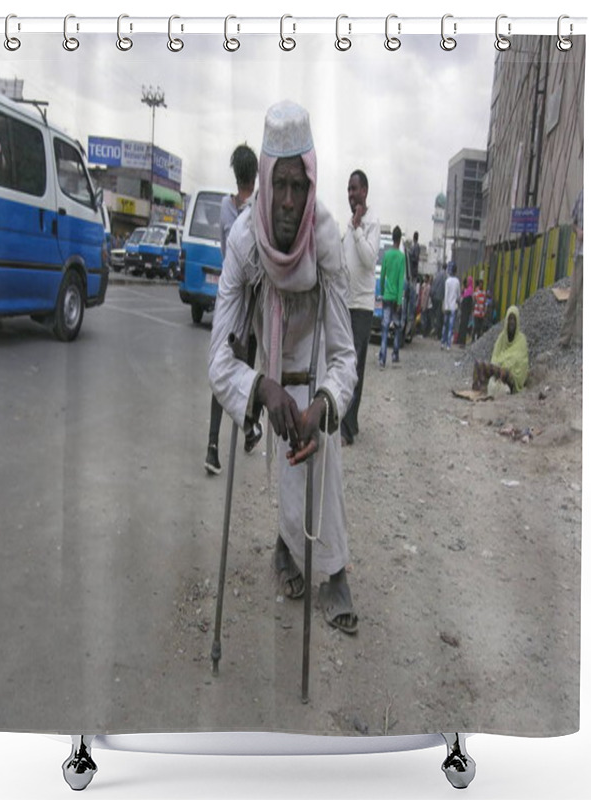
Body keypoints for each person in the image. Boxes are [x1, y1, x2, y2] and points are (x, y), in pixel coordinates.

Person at [208, 100, 359, 634]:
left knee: (325, 462)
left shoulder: (326, 240)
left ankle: (334, 570)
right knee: (289, 467)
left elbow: (344, 354)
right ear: (266, 184)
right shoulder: (244, 242)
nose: (291, 201)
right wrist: (259, 388)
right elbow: (218, 358)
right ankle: (285, 546)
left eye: (301, 186)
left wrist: (324, 402)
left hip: (313, 357)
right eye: (282, 187)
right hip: (272, 357)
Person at [205, 143, 262, 475]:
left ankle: (217, 444)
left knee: (227, 370)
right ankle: (248, 429)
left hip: (231, 300)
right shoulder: (252, 213)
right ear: (255, 176)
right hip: (247, 301)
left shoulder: (226, 210)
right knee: (241, 368)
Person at [340, 169, 379, 447]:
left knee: (354, 368)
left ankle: (347, 428)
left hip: (362, 308)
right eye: (348, 189)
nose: (351, 194)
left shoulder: (371, 222)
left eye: (355, 189)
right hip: (345, 303)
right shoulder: (349, 224)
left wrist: (356, 229)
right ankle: (342, 420)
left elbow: (368, 259)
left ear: (365, 191)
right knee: (342, 364)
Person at [471, 304, 529, 395]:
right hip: (498, 370)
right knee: (479, 364)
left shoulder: (521, 340)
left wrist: (504, 364)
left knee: (502, 372)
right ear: (506, 321)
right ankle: (480, 388)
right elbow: (494, 357)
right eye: (510, 319)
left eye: (514, 319)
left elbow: (520, 362)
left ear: (517, 322)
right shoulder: (502, 338)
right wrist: (499, 364)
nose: (512, 322)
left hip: (512, 376)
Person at [378, 226, 406, 367]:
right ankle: (394, 355)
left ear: (392, 238)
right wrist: (399, 299)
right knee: (396, 327)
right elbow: (401, 280)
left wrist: (382, 292)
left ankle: (382, 359)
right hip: (396, 298)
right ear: (400, 239)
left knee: (384, 328)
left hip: (387, 296)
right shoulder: (401, 257)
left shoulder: (386, 255)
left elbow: (382, 276)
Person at [559, 188, 583, 348]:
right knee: (574, 296)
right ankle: (565, 337)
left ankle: (579, 339)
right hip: (580, 254)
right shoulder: (582, 195)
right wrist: (578, 231)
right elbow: (573, 222)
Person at [441, 262, 460, 350]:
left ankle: (442, 343)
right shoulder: (457, 282)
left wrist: (445, 305)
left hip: (447, 306)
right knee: (450, 327)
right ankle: (448, 345)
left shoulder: (447, 281)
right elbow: (458, 295)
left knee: (445, 325)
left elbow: (445, 294)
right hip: (453, 307)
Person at [430, 262, 447, 339]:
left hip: (435, 297)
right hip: (441, 298)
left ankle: (433, 327)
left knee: (433, 313)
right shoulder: (446, 277)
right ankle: (437, 333)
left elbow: (434, 285)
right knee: (439, 315)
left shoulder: (438, 275)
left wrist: (432, 294)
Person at [457, 275, 474, 348]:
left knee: (464, 326)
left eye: (467, 281)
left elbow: (468, 303)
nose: (466, 282)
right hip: (464, 311)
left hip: (466, 312)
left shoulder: (470, 291)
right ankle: (460, 341)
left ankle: (462, 343)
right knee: (462, 325)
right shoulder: (467, 290)